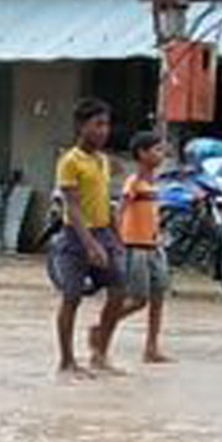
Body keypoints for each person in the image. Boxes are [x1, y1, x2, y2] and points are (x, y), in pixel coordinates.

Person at [50, 97, 129, 377]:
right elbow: (71, 206)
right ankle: (67, 361)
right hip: (76, 236)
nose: (103, 130)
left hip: (103, 232)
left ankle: (100, 353)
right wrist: (90, 243)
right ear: (81, 126)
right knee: (71, 298)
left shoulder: (103, 160)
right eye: (97, 124)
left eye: (106, 124)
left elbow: (105, 201)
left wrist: (116, 238)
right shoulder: (69, 161)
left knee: (119, 291)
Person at [116, 131, 174, 364]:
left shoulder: (153, 184)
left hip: (153, 245)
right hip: (136, 247)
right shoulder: (134, 183)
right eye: (157, 150)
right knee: (139, 299)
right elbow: (120, 210)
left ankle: (151, 348)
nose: (161, 154)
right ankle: (105, 325)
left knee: (158, 297)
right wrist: (116, 241)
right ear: (142, 154)